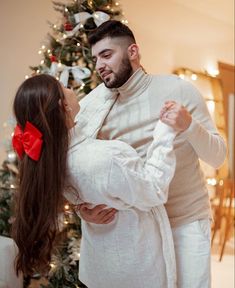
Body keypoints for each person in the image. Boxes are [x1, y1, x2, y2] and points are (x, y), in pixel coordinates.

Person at [77, 20, 227, 288]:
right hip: (135, 233)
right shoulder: (93, 107)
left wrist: (188, 126)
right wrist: (82, 210)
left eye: (107, 55)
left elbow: (217, 157)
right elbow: (82, 166)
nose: (99, 65)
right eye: (96, 58)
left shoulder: (177, 90)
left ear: (133, 52)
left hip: (184, 221)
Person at [11, 74, 180, 287]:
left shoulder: (53, 162)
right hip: (135, 268)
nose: (71, 88)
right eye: (64, 87)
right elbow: (154, 190)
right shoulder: (106, 158)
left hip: (99, 268)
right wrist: (165, 131)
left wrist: (79, 210)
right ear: (64, 106)